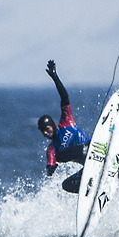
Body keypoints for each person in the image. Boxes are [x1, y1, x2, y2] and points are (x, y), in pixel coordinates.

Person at [39, 59, 90, 193]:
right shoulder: (52, 149)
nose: (45, 133)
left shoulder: (66, 121)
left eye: (47, 129)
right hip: (88, 165)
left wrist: (55, 77)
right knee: (67, 185)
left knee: (60, 156)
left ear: (52, 125)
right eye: (43, 132)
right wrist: (50, 169)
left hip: (91, 148)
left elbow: (64, 96)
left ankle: (91, 152)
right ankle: (91, 189)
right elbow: (50, 164)